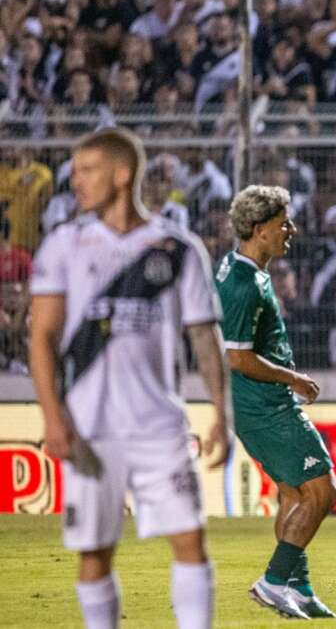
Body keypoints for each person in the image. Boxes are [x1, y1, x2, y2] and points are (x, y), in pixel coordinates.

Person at [28, 128, 231, 629]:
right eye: (74, 172)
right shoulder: (63, 244)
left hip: (158, 425)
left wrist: (220, 415)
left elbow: (205, 338)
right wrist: (53, 418)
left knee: (189, 539)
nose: (75, 182)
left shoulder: (177, 248)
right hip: (88, 427)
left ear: (122, 174)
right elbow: (42, 339)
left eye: (87, 170)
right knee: (94, 553)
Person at [215, 184, 336, 620]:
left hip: (254, 405)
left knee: (294, 494)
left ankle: (299, 589)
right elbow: (239, 357)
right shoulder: (246, 284)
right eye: (282, 222)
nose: (292, 229)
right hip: (265, 406)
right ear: (257, 228)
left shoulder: (239, 268)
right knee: (324, 491)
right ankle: (273, 580)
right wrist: (294, 378)